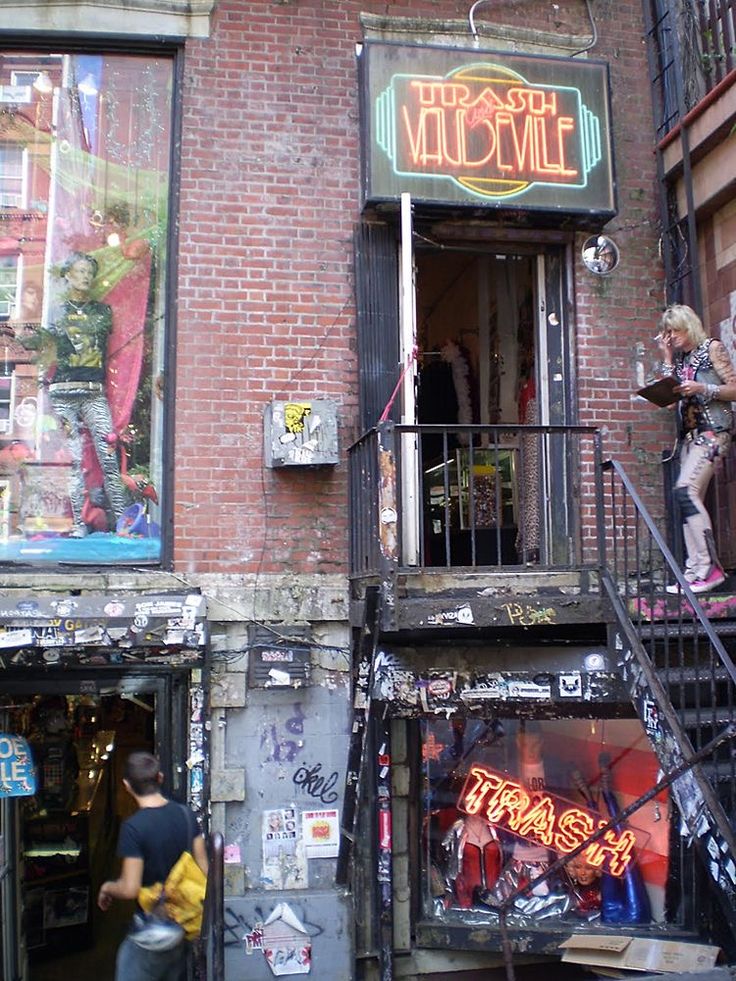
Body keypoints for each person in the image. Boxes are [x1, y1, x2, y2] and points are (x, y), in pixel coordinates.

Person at [18, 252, 127, 536]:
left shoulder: (102, 312)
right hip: (63, 393)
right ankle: (79, 523)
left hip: (93, 392)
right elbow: (44, 344)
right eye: (79, 271)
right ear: (67, 275)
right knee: (75, 461)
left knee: (108, 457)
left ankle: (122, 521)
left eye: (89, 271)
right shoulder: (56, 312)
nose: (85, 276)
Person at [97, 751, 208, 981]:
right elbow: (205, 869)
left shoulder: (133, 828)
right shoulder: (185, 815)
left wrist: (107, 887)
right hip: (183, 928)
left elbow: (129, 888)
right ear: (160, 778)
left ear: (126, 785)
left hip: (153, 932)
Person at [656, 304, 736, 593]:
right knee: (688, 498)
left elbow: (734, 388)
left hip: (713, 433)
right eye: (667, 332)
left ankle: (708, 569)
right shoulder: (681, 360)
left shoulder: (711, 348)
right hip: (691, 438)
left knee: (684, 491)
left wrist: (704, 389)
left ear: (688, 326)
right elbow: (669, 399)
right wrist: (666, 358)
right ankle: (694, 571)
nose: (672, 337)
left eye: (675, 330)